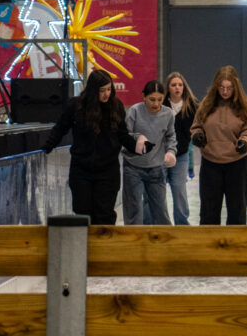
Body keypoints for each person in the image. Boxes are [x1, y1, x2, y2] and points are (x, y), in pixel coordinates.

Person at [42, 69, 144, 224]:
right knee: (83, 213)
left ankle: (105, 240)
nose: (106, 94)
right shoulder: (76, 106)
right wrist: (48, 145)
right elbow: (60, 128)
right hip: (81, 169)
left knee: (105, 214)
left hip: (108, 170)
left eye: (109, 89)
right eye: (102, 91)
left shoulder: (116, 106)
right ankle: (84, 240)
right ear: (93, 90)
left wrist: (138, 147)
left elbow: (122, 135)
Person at [191, 66, 247, 225]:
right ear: (216, 87)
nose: (225, 92)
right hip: (211, 163)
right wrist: (197, 135)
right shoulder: (206, 104)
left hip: (237, 163)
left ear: (236, 88)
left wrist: (245, 141)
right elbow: (197, 125)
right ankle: (209, 239)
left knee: (237, 209)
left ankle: (235, 239)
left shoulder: (245, 105)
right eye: (221, 88)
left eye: (229, 88)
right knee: (209, 210)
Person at [122, 80, 176, 225]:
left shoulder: (168, 114)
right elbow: (124, 135)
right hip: (133, 168)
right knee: (134, 211)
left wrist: (170, 152)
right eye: (152, 99)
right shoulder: (134, 111)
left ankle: (163, 238)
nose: (156, 104)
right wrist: (137, 138)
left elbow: (171, 136)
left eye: (160, 99)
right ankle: (133, 238)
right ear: (144, 97)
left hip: (156, 168)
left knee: (161, 211)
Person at [162, 72, 198, 224]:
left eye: (180, 85)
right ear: (168, 88)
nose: (177, 87)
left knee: (179, 190)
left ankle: (182, 224)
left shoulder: (193, 106)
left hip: (181, 155)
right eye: (173, 85)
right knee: (157, 191)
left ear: (184, 87)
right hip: (161, 155)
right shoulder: (161, 105)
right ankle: (158, 223)